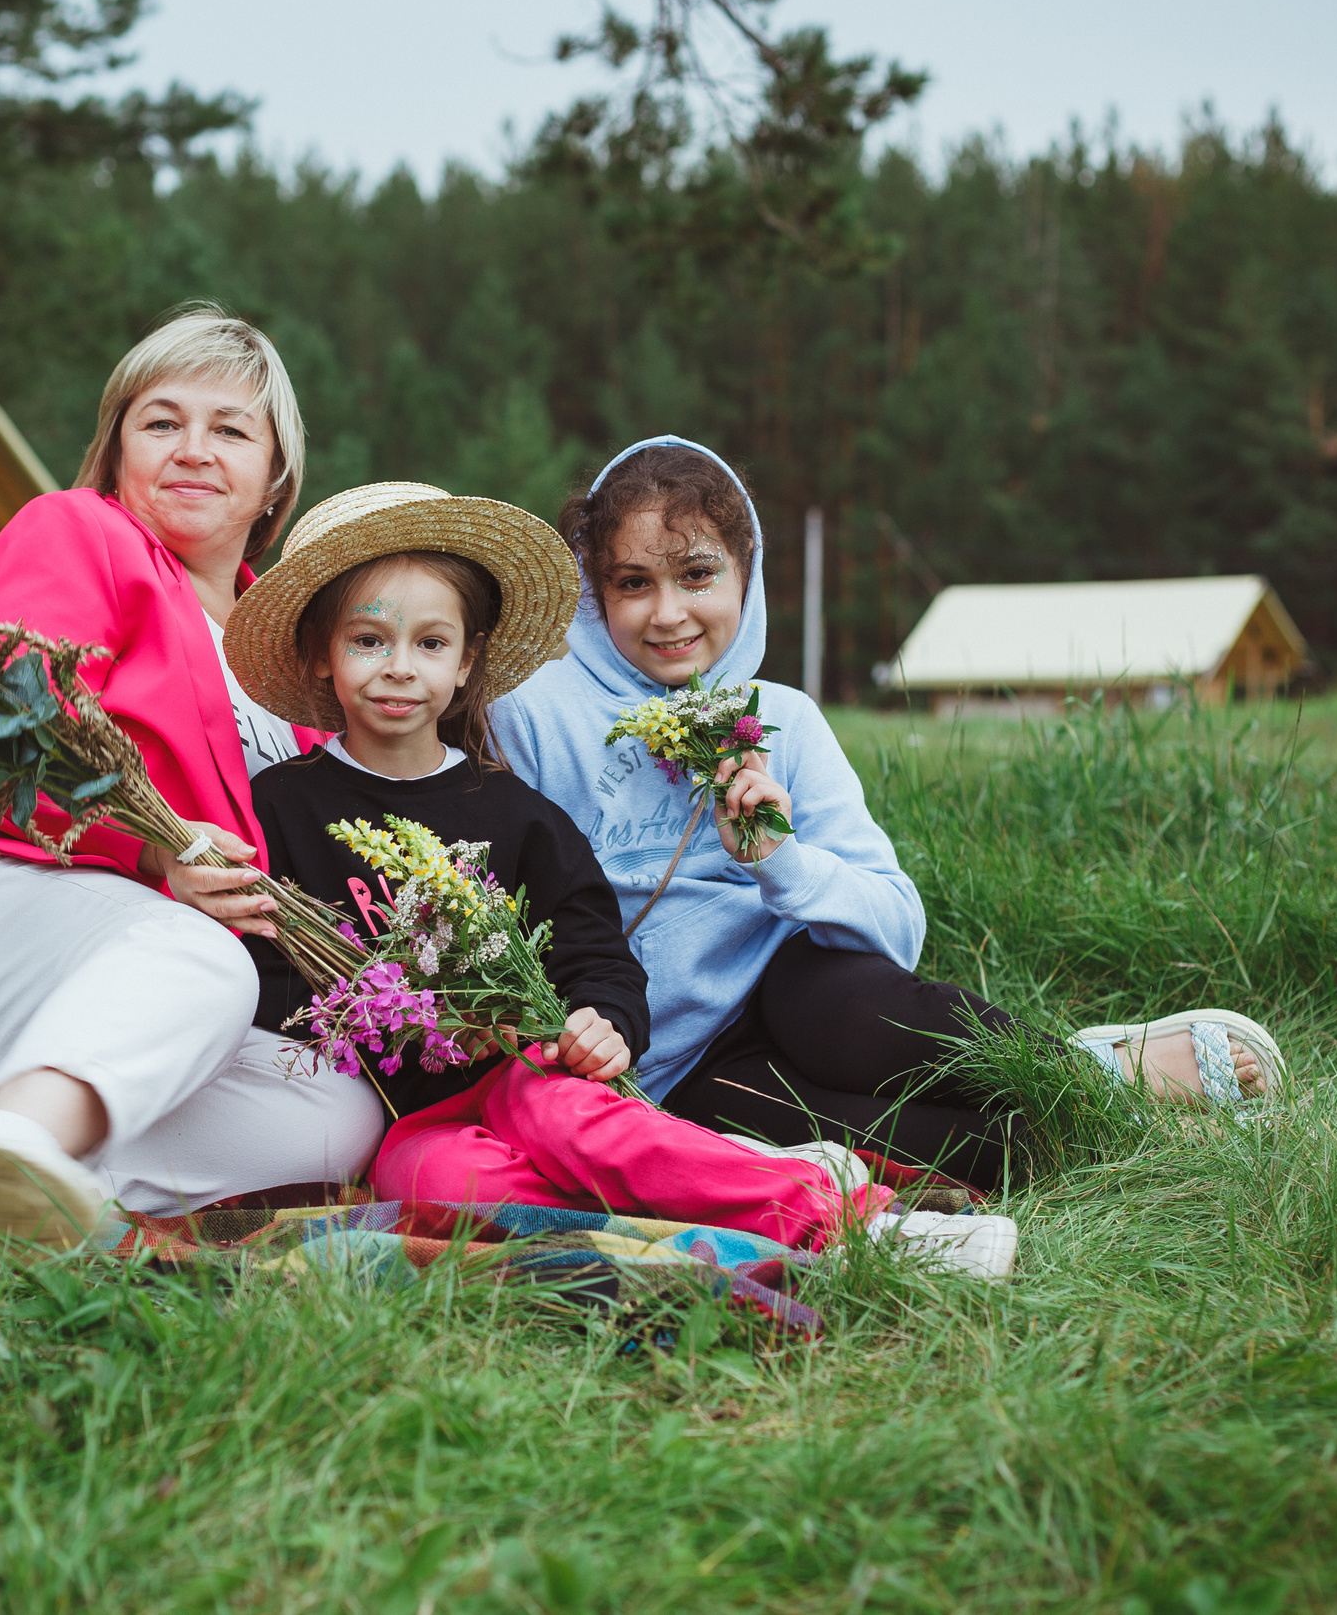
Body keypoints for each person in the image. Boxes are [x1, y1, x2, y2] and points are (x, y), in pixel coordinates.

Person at [220, 481, 1018, 1275]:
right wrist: (393, 1017)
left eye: (430, 643)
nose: (400, 668)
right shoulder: (279, 809)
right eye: (369, 640)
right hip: (408, 1115)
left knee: (581, 1126)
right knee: (429, 1181)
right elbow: (252, 966)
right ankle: (712, 1200)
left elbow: (596, 952)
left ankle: (854, 1222)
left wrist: (605, 1021)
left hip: (524, 1073)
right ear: (322, 656)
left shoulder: (516, 815)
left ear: (467, 662)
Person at [488, 437, 1290, 1192]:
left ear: (746, 576)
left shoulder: (783, 720)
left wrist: (778, 860)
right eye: (633, 582)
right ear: (594, 591)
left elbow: (897, 926)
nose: (668, 613)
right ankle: (1119, 1128)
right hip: (670, 1062)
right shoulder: (535, 714)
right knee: (885, 1136)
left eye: (697, 574)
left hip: (791, 983)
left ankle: (1094, 1072)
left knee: (857, 1011)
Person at [0, 306, 384, 1248]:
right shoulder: (77, 532)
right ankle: (17, 1140)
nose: (194, 449)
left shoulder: (303, 655)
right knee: (204, 958)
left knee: (337, 1112)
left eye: (230, 429)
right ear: (114, 451)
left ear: (276, 478)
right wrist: (156, 857)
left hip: (103, 1000)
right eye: (161, 422)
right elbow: (12, 729)